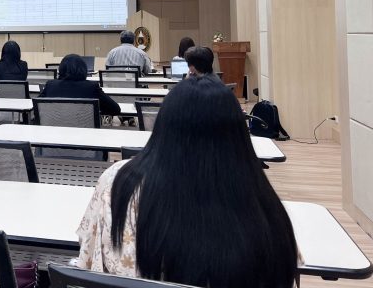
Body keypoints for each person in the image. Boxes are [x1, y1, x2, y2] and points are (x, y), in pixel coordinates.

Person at [77, 75, 299, 287]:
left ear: (163, 124)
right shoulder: (264, 206)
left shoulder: (117, 182)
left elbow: (88, 263)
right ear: (238, 134)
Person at [39, 54, 121, 116]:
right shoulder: (91, 87)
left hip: (54, 133)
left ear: (61, 69)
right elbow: (115, 110)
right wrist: (95, 111)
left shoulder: (50, 85)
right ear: (83, 69)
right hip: (85, 134)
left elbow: (38, 106)